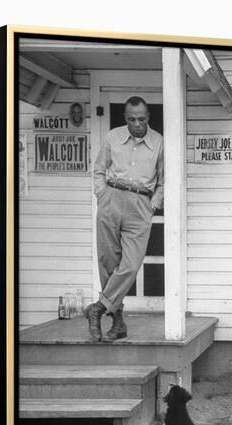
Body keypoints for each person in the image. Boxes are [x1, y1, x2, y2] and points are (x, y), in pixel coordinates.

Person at [85, 96, 164, 342]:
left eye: (141, 119)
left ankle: (98, 308)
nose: (137, 124)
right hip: (111, 198)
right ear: (125, 118)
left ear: (148, 118)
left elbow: (164, 180)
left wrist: (152, 205)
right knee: (108, 261)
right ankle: (118, 323)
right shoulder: (112, 137)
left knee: (130, 264)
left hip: (140, 204)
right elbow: (99, 168)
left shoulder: (159, 142)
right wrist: (101, 193)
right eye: (132, 119)